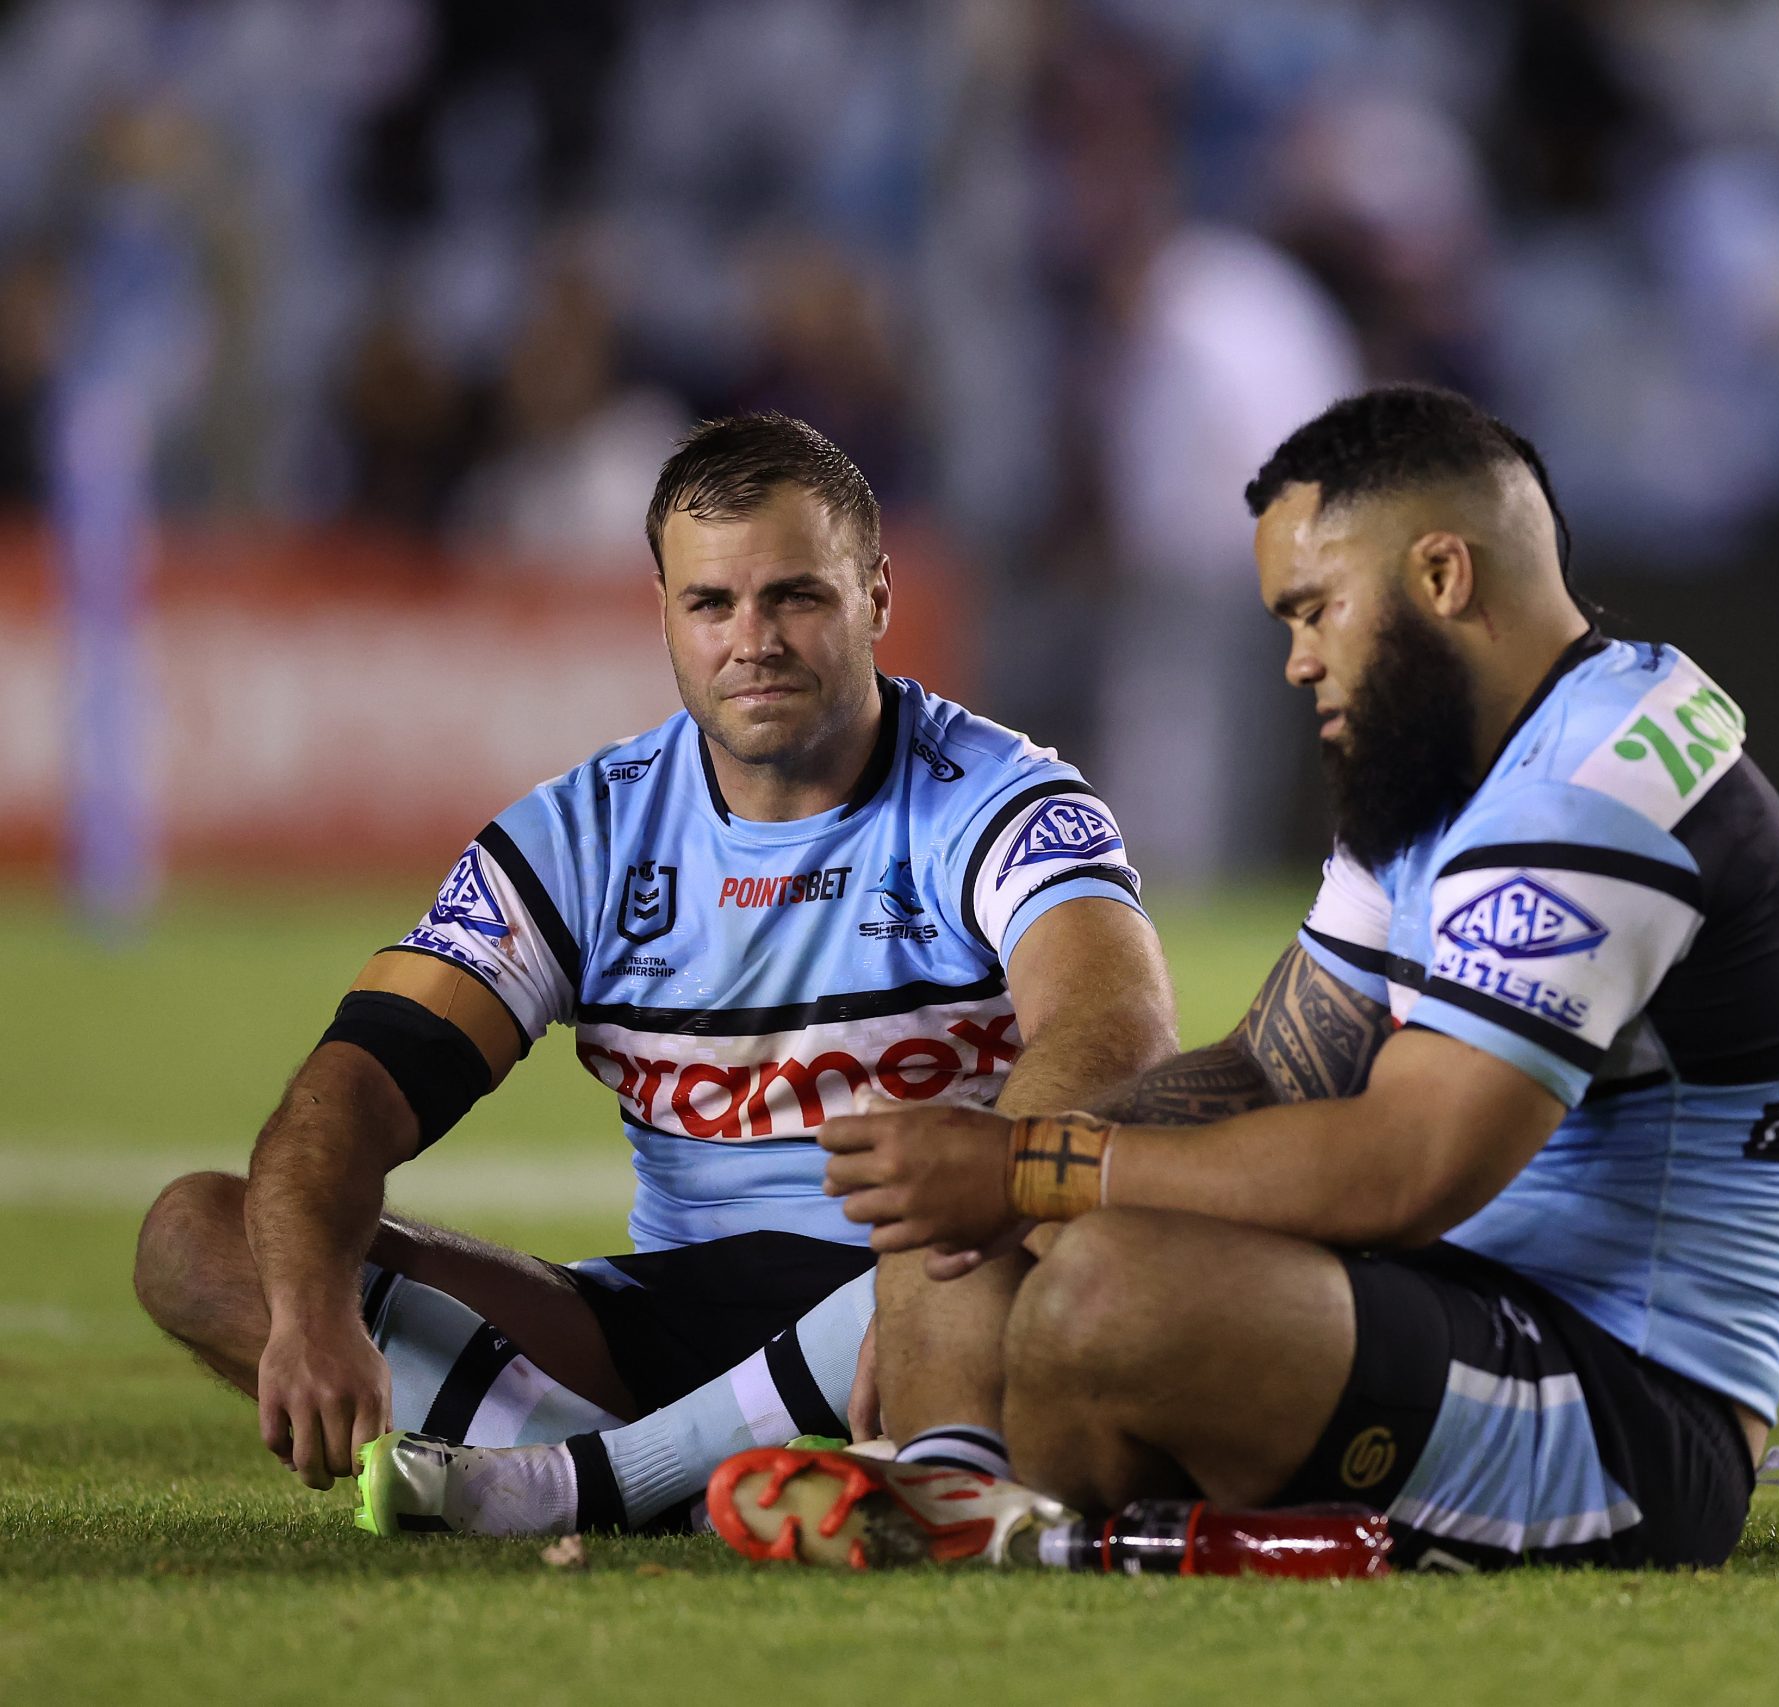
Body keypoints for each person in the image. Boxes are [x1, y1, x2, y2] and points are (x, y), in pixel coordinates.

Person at [765, 383, 1779, 1571]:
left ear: (1442, 578)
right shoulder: (1458, 766)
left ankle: (1011, 1509)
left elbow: (1406, 1167)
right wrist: (999, 1176)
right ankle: (964, 1490)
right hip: (1449, 1315)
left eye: (1315, 610)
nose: (1295, 661)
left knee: (1112, 1284)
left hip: (1628, 1426)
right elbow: (1272, 1068)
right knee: (981, 1177)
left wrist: (1034, 1171)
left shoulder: (1589, 797)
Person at [131, 412, 1177, 1536]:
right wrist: (309, 1307)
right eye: (712, 604)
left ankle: (585, 1485)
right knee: (200, 1236)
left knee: (1066, 1233)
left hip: (936, 1291)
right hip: (662, 1321)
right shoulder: (582, 834)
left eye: (796, 597)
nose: (753, 641)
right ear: (665, 616)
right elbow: (357, 1091)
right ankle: (699, 1488)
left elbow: (1114, 1035)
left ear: (875, 598)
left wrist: (939, 1281)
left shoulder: (1002, 800)